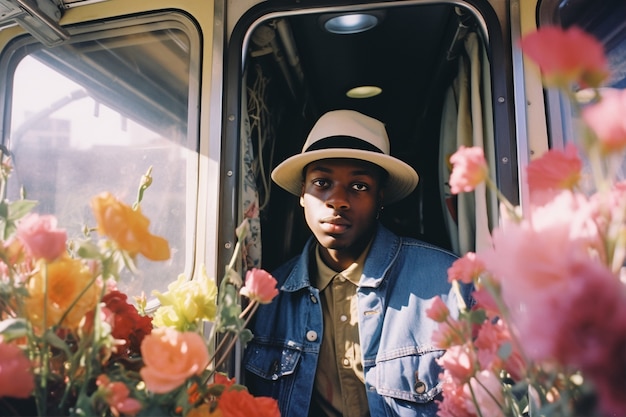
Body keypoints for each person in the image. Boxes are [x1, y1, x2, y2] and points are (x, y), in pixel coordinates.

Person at [243, 110, 471, 417]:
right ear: (302, 195)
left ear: (380, 198)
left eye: (359, 186)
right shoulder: (267, 298)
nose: (338, 200)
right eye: (322, 182)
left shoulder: (448, 282)